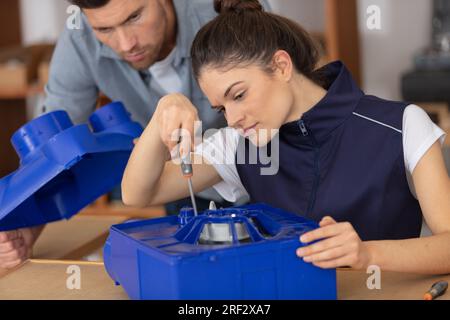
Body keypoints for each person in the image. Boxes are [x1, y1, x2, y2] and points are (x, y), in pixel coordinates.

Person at [122, 0, 450, 274]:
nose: (233, 119)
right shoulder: (241, 145)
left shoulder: (401, 125)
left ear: (281, 66)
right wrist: (166, 108)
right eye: (221, 108)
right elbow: (139, 193)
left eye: (238, 95)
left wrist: (367, 254)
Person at [0, 0, 270, 270]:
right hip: (181, 188)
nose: (126, 43)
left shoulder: (227, 10)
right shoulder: (80, 38)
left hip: (270, 175)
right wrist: (28, 222)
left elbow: (284, 106)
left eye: (134, 17)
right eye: (104, 29)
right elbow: (52, 151)